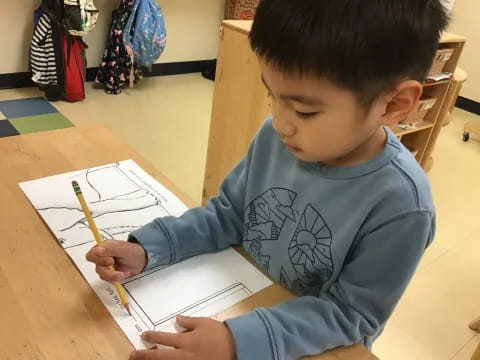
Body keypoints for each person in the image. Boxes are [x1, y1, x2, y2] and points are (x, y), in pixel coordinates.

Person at [86, 0, 449, 359]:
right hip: (242, 297)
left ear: (393, 105)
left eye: (306, 111)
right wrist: (149, 247)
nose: (279, 121)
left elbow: (351, 314)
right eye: (271, 95)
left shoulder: (401, 205)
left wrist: (237, 341)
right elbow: (228, 215)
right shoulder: (276, 137)